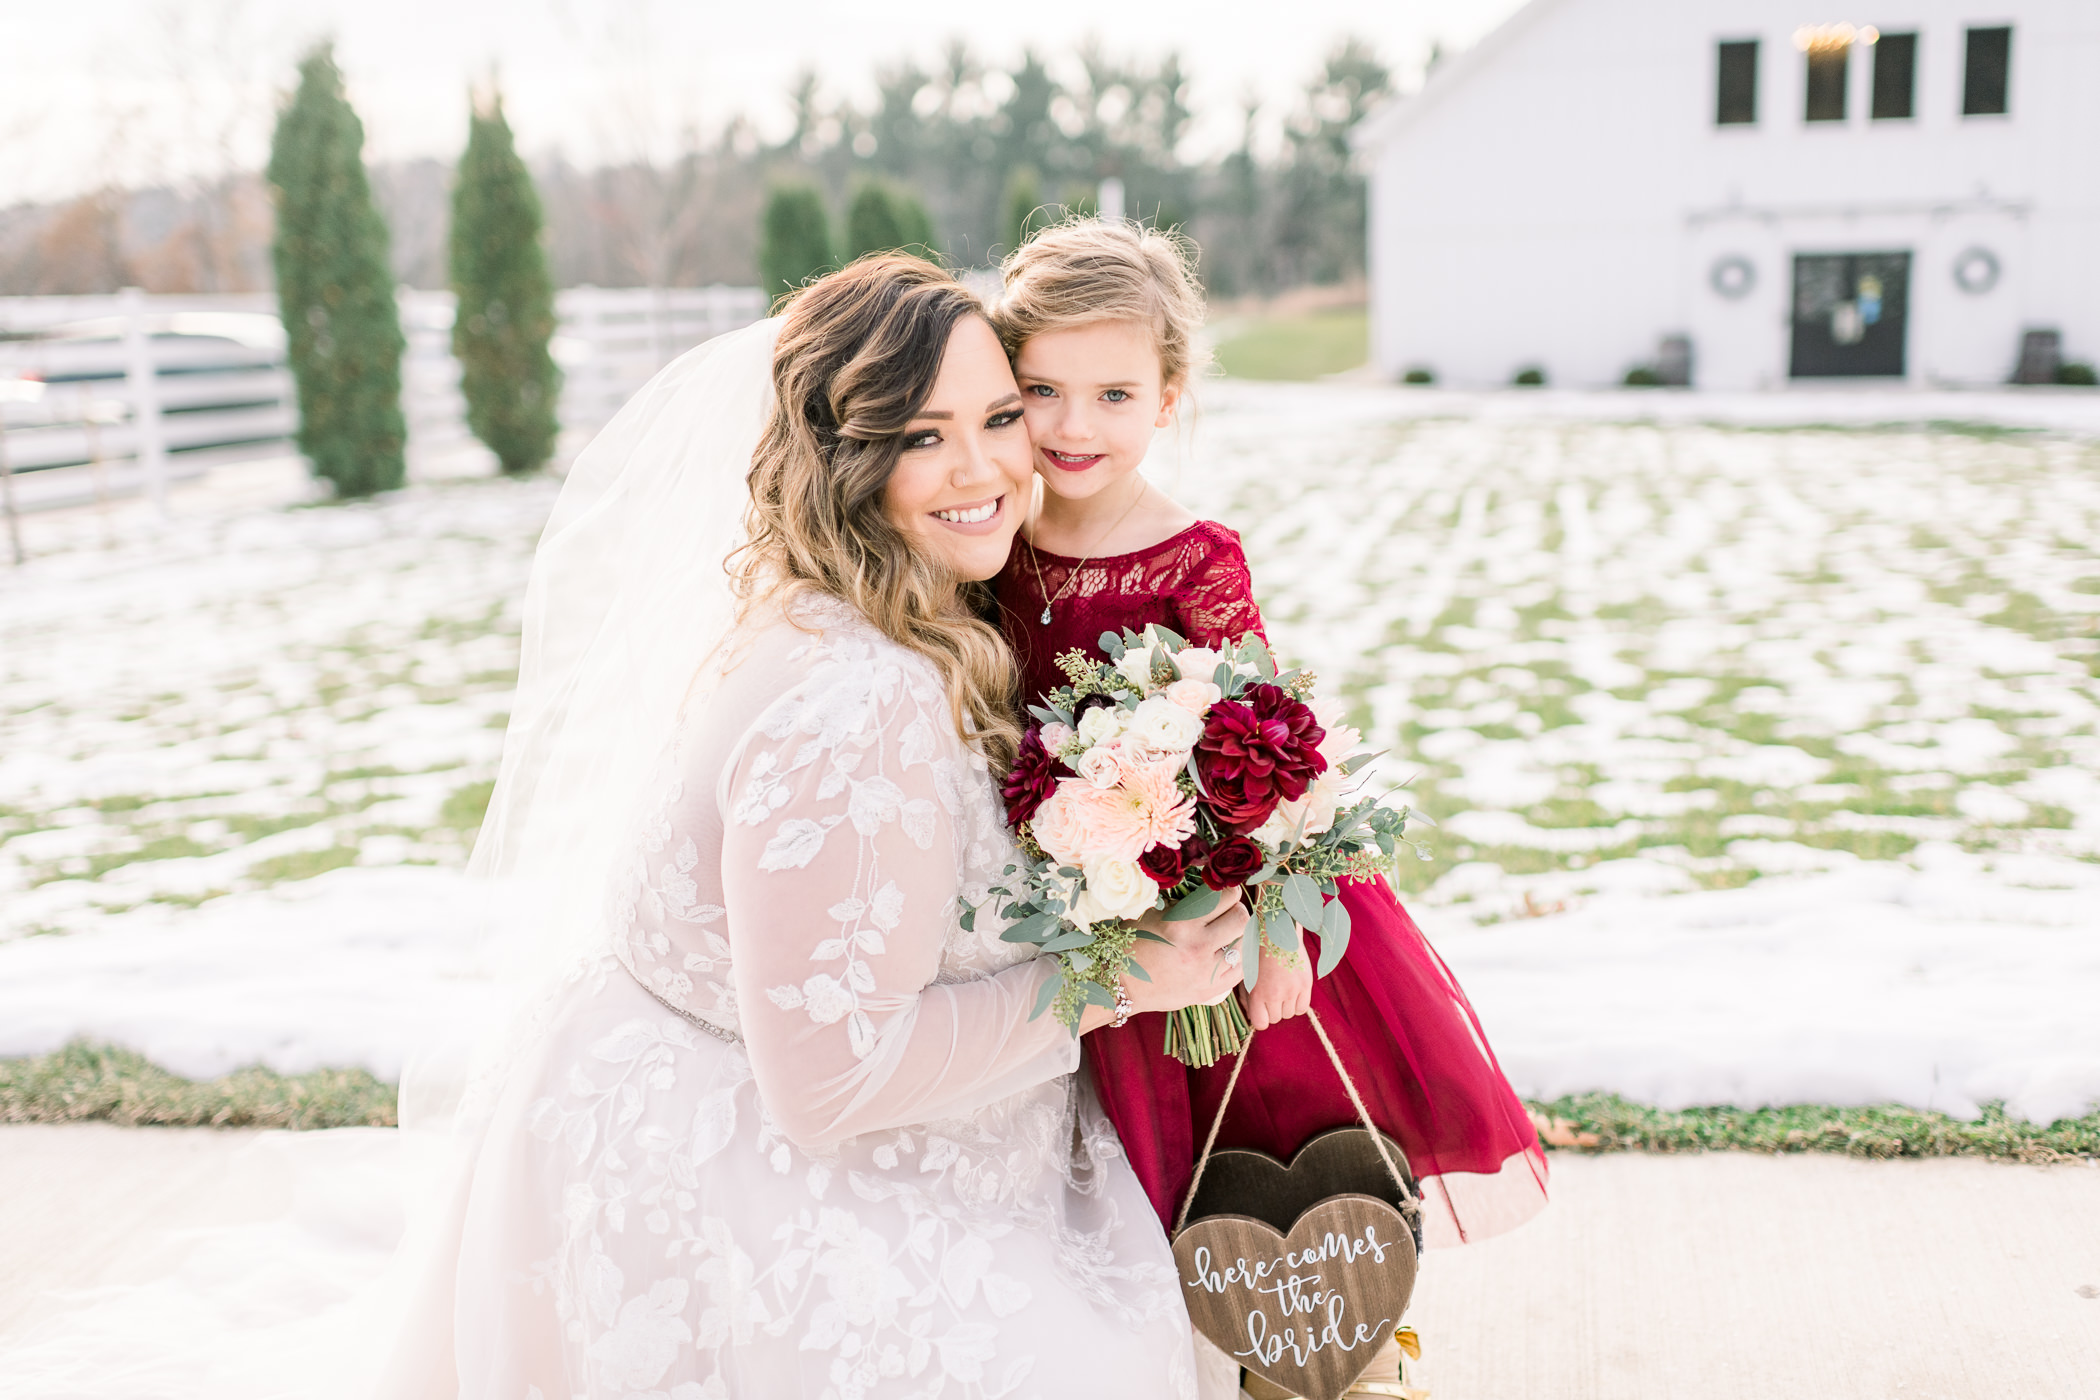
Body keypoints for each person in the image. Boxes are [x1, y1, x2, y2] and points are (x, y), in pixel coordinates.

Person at [380, 255, 1252, 1399]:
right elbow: (832, 1080)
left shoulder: (876, 602)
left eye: (1000, 416)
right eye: (923, 435)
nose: (984, 464)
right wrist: (1116, 980)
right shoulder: (858, 705)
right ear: (847, 455)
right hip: (751, 1178)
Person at [987, 220, 1551, 1264]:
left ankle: (1325, 1336)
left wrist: (1279, 931)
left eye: (1114, 395)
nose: (1074, 424)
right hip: (1084, 911)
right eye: (1042, 390)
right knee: (1123, 1171)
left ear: (1168, 397)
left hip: (1216, 896)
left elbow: (1273, 744)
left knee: (1269, 1136)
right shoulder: (992, 542)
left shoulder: (1196, 558)